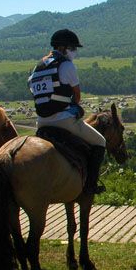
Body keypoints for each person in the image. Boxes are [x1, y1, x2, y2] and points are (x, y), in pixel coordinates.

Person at [28, 29, 105, 196]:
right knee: (100, 142)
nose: (74, 52)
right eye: (73, 48)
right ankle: (91, 185)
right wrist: (72, 106)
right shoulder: (66, 65)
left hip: (41, 122)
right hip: (63, 120)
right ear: (63, 48)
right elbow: (76, 96)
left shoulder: (37, 67)